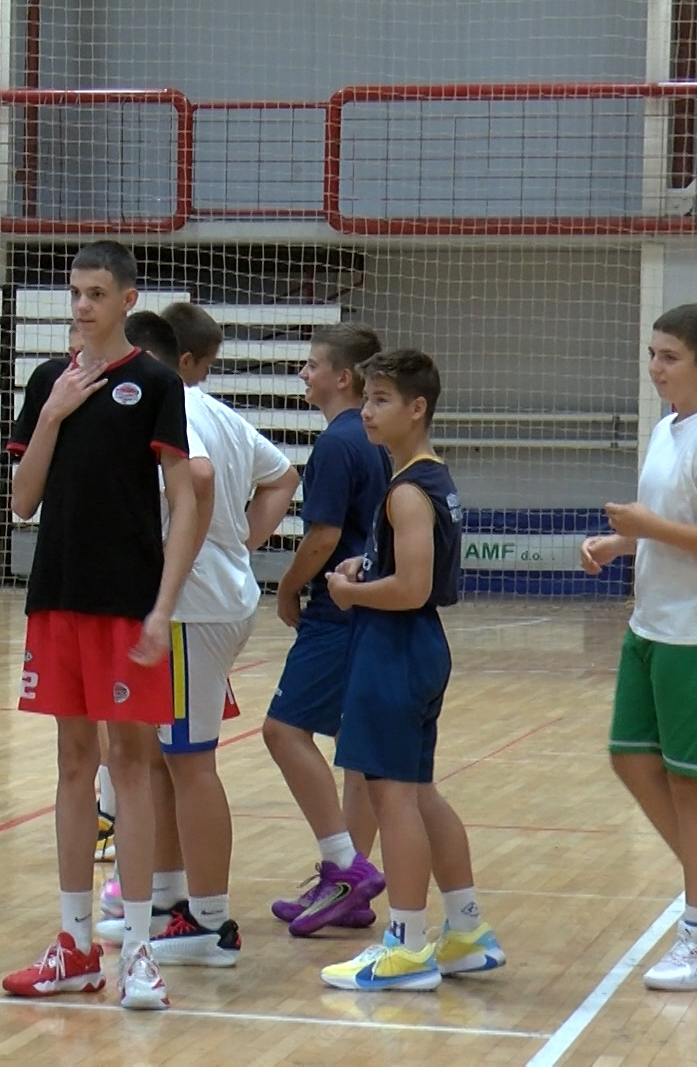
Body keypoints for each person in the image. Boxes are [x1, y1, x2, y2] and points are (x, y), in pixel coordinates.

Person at [0, 241, 205, 1011]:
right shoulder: (46, 382)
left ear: (126, 299)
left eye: (95, 293)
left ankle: (140, 951)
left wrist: (163, 604)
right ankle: (74, 945)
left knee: (133, 763)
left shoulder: (154, 383)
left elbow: (185, 498)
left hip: (128, 602)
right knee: (72, 762)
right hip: (57, 596)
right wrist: (53, 414)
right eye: (74, 293)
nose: (82, 305)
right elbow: (23, 500)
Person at [93, 305, 298, 967]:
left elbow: (200, 478)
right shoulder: (215, 409)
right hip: (210, 600)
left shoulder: (172, 407)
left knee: (189, 762)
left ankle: (210, 921)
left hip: (192, 608)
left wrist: (188, 560)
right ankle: (165, 898)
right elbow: (283, 474)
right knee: (159, 758)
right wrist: (241, 542)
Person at [581, 302, 697, 991]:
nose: (656, 367)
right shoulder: (669, 427)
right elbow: (673, 522)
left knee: (693, 782)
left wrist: (648, 529)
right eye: (652, 354)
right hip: (651, 626)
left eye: (669, 357)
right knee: (631, 758)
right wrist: (622, 541)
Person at [318, 348, 505, 992]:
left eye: (381, 401)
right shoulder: (429, 477)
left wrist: (351, 592)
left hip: (394, 645)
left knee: (391, 796)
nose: (367, 412)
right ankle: (467, 931)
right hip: (417, 646)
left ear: (417, 408)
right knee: (420, 793)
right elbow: (404, 569)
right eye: (366, 399)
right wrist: (365, 567)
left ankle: (405, 945)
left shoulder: (406, 491)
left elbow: (413, 587)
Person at [261, 323, 391, 936]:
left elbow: (323, 536)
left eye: (312, 365)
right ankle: (348, 886)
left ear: (343, 377)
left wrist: (288, 586)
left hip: (337, 611)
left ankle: (347, 867)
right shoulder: (377, 438)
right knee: (356, 748)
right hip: (374, 609)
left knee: (283, 731)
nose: (303, 374)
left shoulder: (338, 444)